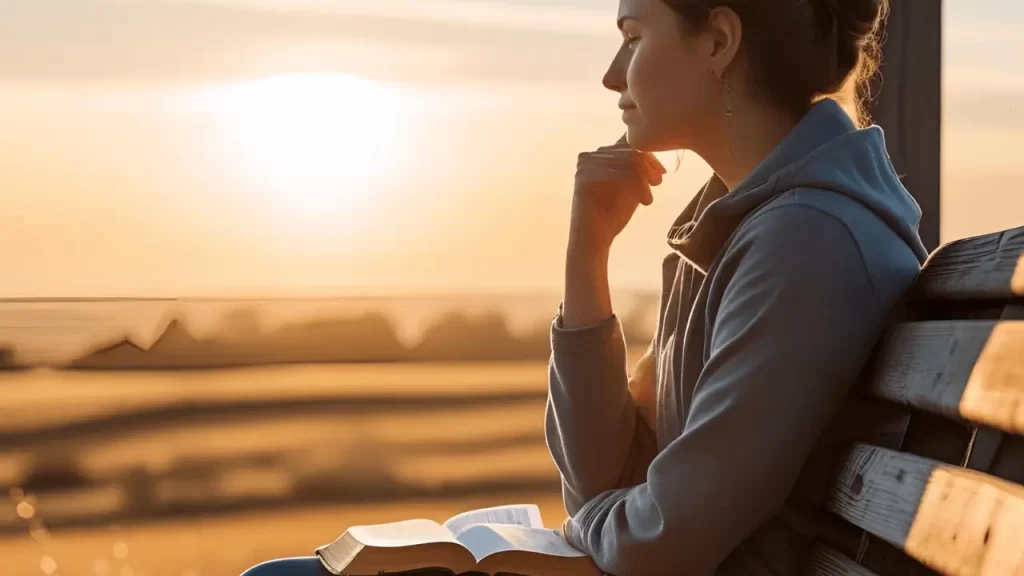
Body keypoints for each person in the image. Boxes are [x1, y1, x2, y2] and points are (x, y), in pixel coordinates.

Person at [242, 0, 926, 573]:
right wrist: (587, 252)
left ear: (718, 41)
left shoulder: (806, 242)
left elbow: (664, 536)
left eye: (633, 38)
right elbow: (603, 477)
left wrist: (578, 531)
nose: (611, 75)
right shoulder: (747, 227)